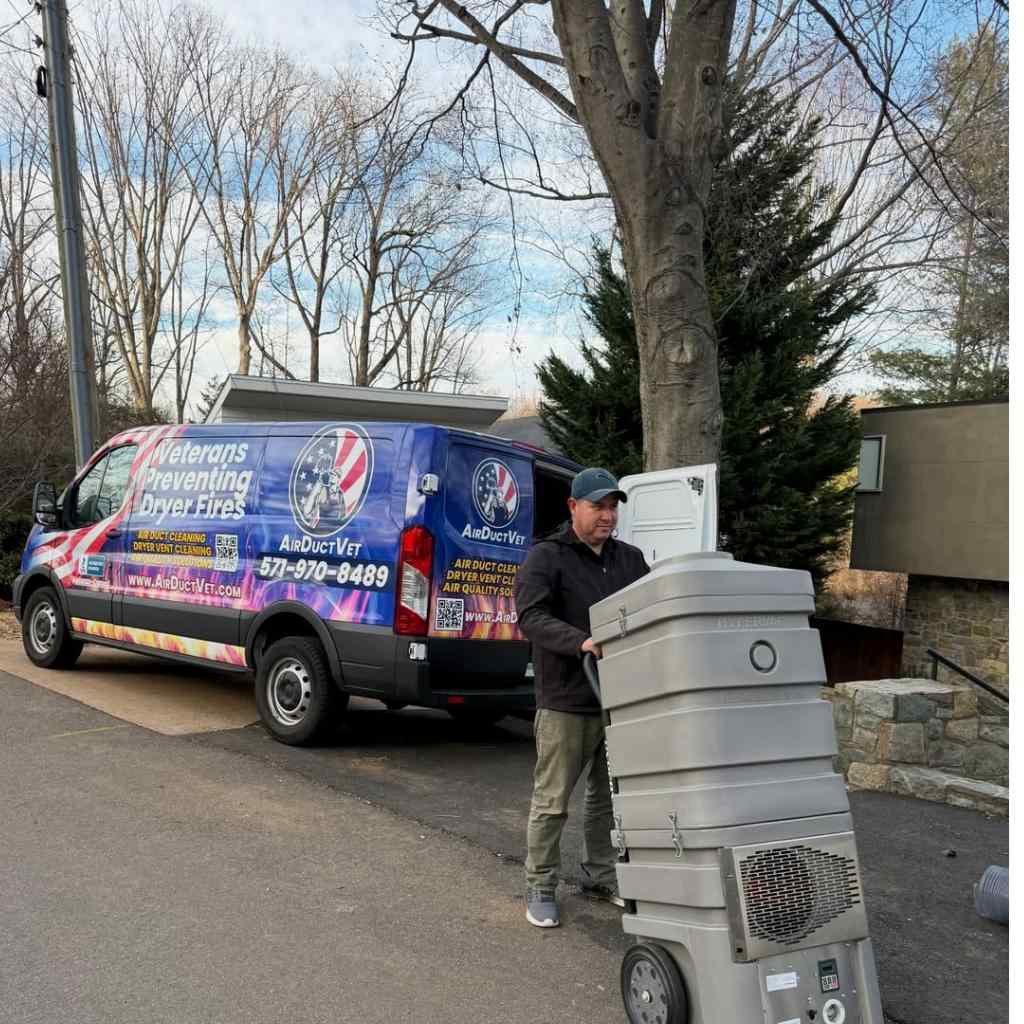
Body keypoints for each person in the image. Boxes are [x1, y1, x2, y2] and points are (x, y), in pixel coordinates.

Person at [513, 467, 650, 928]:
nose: (607, 516)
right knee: (553, 802)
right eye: (598, 506)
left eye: (612, 508)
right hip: (566, 701)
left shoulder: (629, 560)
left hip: (619, 701)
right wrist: (581, 642)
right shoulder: (546, 557)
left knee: (608, 799)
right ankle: (540, 885)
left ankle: (599, 876)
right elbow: (531, 617)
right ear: (573, 506)